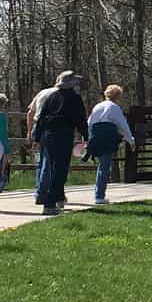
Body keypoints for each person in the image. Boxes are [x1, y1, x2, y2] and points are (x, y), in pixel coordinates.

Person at [33, 71, 87, 215]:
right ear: (71, 84)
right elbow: (80, 119)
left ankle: (57, 198)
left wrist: (37, 137)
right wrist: (86, 136)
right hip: (62, 135)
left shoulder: (51, 97)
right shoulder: (74, 98)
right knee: (60, 170)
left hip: (47, 135)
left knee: (51, 168)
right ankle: (50, 204)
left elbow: (41, 117)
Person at [86, 84, 135, 204]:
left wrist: (87, 139)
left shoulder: (97, 106)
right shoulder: (114, 107)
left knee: (101, 166)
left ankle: (99, 194)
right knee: (104, 166)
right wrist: (131, 140)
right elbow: (122, 125)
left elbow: (89, 123)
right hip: (107, 137)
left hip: (95, 136)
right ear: (118, 96)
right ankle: (99, 196)